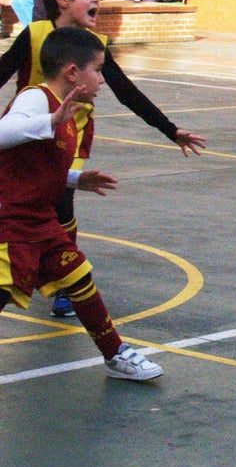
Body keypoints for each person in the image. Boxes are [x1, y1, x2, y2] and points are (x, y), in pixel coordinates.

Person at [0, 0, 207, 318]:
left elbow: (127, 91)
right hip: (27, 130)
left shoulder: (94, 45)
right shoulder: (35, 35)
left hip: (69, 137)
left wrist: (170, 130)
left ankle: (65, 282)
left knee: (61, 202)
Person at [0, 26, 164, 381]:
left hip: (39, 219)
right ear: (72, 72)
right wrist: (48, 121)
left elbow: (34, 165)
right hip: (10, 220)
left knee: (78, 276)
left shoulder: (67, 111)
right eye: (97, 69)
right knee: (4, 289)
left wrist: (75, 179)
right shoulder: (37, 100)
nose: (102, 79)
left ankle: (116, 354)